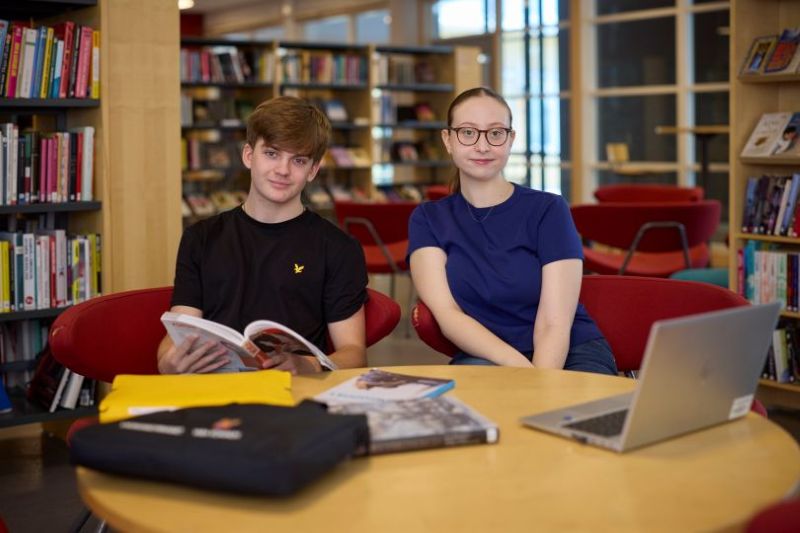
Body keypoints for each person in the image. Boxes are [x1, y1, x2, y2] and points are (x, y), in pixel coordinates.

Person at [407, 86, 617, 375]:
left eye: (495, 133)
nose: (482, 146)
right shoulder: (428, 218)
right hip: (486, 352)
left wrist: (541, 382)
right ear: (448, 139)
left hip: (569, 349)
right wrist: (518, 368)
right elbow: (448, 314)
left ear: (510, 139)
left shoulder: (549, 209)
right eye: (468, 132)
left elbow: (554, 323)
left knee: (568, 414)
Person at [158, 96, 368, 375]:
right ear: (248, 156)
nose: (282, 170)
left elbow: (354, 353)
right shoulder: (201, 237)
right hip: (214, 388)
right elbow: (181, 328)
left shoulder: (339, 248)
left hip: (293, 394)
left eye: (298, 160)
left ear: (313, 170)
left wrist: (310, 364)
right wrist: (168, 361)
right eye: (272, 154)